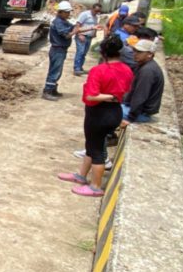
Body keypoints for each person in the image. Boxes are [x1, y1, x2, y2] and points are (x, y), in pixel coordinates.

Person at [57, 34, 133, 197]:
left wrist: (109, 96)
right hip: (114, 111)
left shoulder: (99, 70)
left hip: (99, 113)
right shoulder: (127, 69)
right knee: (92, 146)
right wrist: (114, 96)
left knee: (97, 150)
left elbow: (91, 96)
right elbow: (126, 90)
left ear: (103, 53)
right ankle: (81, 176)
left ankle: (96, 186)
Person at [122, 39, 164, 124]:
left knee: (105, 111)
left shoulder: (147, 71)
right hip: (136, 109)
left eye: (140, 52)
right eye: (135, 51)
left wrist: (130, 118)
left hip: (141, 113)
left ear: (149, 54)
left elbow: (140, 96)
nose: (135, 54)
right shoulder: (143, 65)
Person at [42, 0, 75, 100]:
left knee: (57, 71)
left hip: (60, 49)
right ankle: (48, 91)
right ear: (60, 12)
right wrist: (75, 31)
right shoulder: (58, 22)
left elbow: (72, 27)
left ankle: (52, 89)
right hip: (58, 49)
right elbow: (66, 35)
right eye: (67, 12)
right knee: (55, 71)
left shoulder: (63, 22)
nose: (68, 14)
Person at [73, 2, 102, 76]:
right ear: (92, 9)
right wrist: (79, 34)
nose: (97, 13)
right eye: (96, 11)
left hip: (89, 37)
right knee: (80, 52)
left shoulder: (96, 17)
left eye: (98, 11)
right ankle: (76, 69)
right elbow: (77, 25)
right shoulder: (85, 14)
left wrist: (94, 33)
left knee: (84, 53)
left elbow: (95, 25)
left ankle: (80, 67)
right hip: (82, 36)